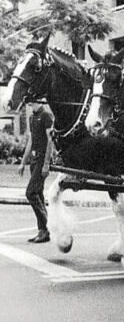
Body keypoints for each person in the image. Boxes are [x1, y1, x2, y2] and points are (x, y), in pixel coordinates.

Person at [18, 100, 54, 243]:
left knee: (30, 193)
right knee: (38, 193)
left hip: (41, 159)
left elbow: (50, 141)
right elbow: (31, 141)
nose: (29, 102)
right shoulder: (32, 117)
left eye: (31, 100)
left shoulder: (46, 115)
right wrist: (22, 163)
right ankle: (42, 231)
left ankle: (48, 227)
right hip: (34, 160)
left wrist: (46, 164)